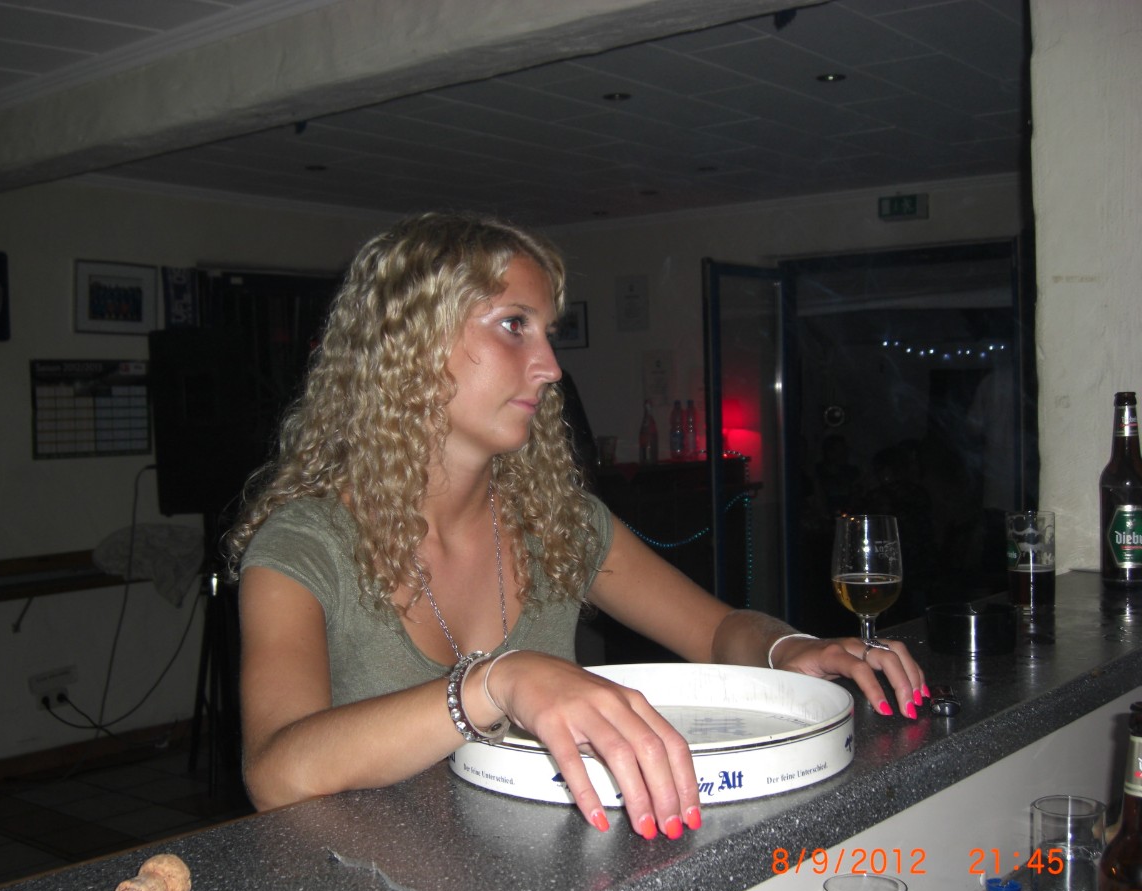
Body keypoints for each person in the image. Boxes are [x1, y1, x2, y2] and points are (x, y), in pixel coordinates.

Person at [225, 212, 927, 842]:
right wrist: (494, 683)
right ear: (410, 341)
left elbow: (717, 631)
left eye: (548, 334)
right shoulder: (305, 545)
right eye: (514, 325)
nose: (551, 368)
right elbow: (276, 772)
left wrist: (790, 649)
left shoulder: (558, 522)